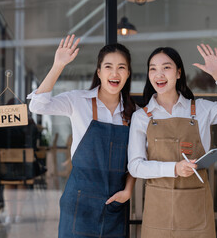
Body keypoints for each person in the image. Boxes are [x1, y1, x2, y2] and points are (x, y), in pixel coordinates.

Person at [127, 44, 217, 238]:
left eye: (166, 68)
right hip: (158, 211)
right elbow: (135, 167)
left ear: (178, 73)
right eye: (153, 68)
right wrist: (174, 169)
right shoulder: (142, 117)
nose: (158, 74)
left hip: (195, 210)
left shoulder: (201, 109)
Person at [27, 34, 136, 238]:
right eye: (108, 66)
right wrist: (58, 65)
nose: (115, 73)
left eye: (121, 67)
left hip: (115, 203)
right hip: (79, 202)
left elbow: (137, 159)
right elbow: (37, 105)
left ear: (128, 73)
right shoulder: (78, 101)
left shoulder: (133, 113)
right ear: (99, 72)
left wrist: (128, 191)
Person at [0, 98, 43, 224]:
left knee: (9, 182)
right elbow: (34, 144)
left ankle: (10, 215)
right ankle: (19, 215)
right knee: (22, 182)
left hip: (4, 169)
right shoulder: (28, 123)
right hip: (25, 169)